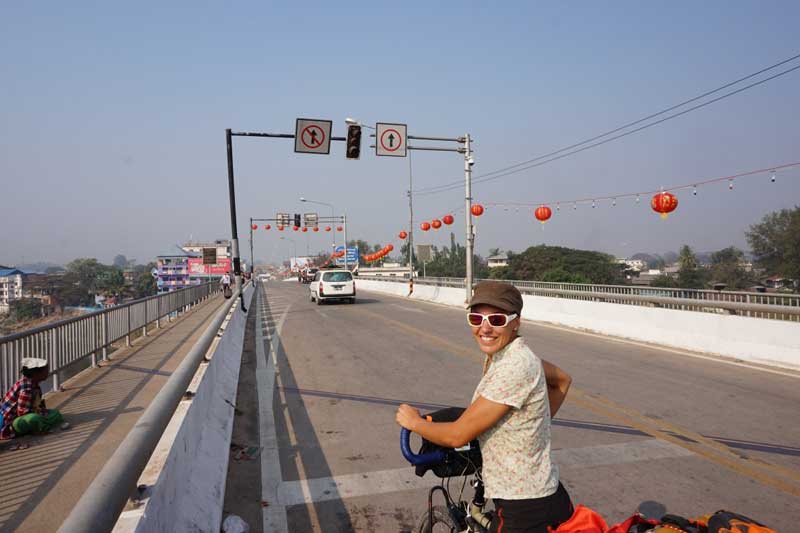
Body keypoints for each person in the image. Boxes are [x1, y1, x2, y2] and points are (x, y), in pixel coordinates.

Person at [396, 281, 574, 533]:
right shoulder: (516, 354)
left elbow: (458, 435)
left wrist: (413, 422)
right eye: (476, 318)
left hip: (523, 508)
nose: (485, 328)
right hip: (545, 492)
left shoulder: (514, 366)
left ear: (516, 322)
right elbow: (562, 381)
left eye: (497, 319)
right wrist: (525, 430)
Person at [1, 358, 65, 440]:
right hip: (11, 422)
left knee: (55, 413)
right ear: (36, 374)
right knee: (34, 419)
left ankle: (41, 424)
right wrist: (41, 414)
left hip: (25, 414)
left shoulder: (34, 384)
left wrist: (42, 411)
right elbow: (22, 412)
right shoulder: (26, 387)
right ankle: (39, 426)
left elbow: (36, 405)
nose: (47, 373)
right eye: (45, 371)